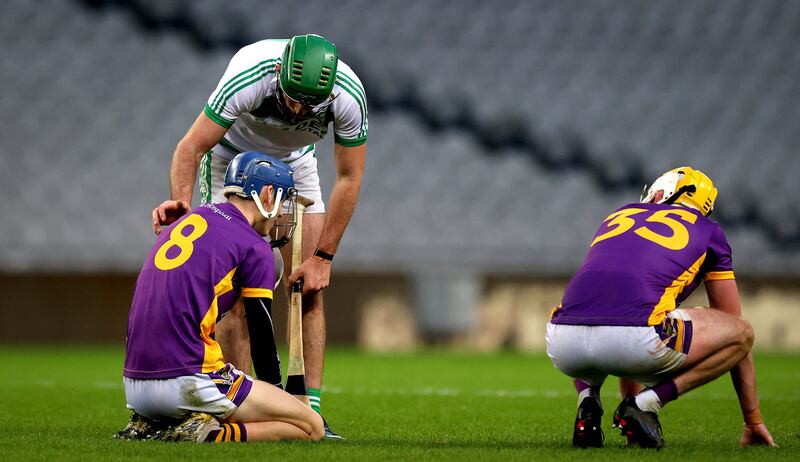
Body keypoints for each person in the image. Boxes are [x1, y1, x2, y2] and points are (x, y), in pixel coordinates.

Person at [151, 34, 367, 434]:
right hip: (230, 160)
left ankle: (309, 407)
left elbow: (349, 177)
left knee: (310, 288)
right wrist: (180, 203)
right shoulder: (250, 75)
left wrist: (324, 258)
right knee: (233, 295)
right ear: (279, 74)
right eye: (292, 97)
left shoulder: (348, 95)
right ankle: (231, 405)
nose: (299, 109)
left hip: (296, 162)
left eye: (309, 104)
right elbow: (191, 147)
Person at [546, 166, 776, 449]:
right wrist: (752, 420)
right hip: (636, 339)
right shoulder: (709, 231)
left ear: (660, 193)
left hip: (562, 343)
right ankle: (646, 405)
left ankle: (588, 401)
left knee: (608, 307)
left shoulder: (618, 214)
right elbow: (732, 324)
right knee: (741, 332)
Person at [120, 151, 324, 443]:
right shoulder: (256, 248)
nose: (282, 213)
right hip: (188, 379)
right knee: (310, 427)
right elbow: (263, 344)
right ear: (268, 194)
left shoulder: (190, 219)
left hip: (135, 385)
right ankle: (212, 434)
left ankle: (157, 424)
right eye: (282, 199)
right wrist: (280, 399)